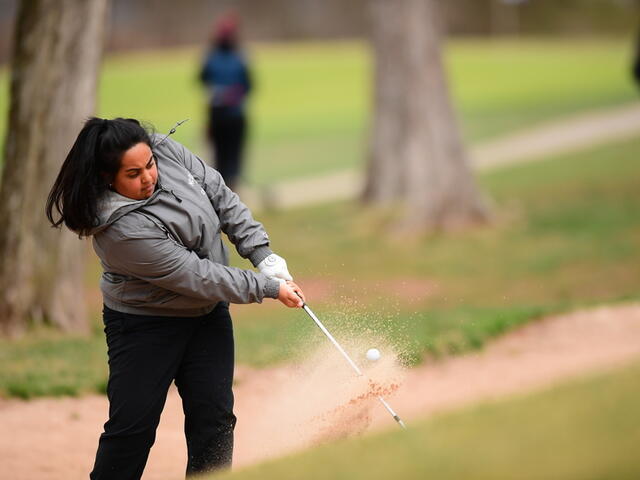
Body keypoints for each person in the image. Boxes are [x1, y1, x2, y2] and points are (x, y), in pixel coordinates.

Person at [45, 117, 305, 479]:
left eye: (148, 165)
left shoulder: (164, 150)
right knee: (132, 431)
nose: (148, 177)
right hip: (144, 326)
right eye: (133, 174)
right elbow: (195, 276)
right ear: (108, 177)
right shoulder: (119, 230)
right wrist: (267, 287)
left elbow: (218, 193)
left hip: (206, 317)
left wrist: (262, 253)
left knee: (214, 421)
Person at [199, 13, 251, 191]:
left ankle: (225, 192)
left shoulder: (211, 57)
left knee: (224, 156)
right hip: (229, 115)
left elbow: (202, 79)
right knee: (229, 157)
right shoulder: (240, 57)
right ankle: (229, 193)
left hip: (223, 114)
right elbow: (249, 85)